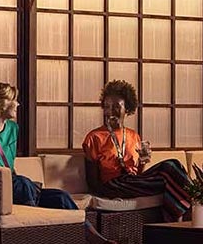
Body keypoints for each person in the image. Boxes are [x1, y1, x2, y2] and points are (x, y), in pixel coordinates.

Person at [0, 82, 136, 244]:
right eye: (13, 100)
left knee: (61, 197)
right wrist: (16, 183)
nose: (18, 104)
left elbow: (10, 167)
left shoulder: (13, 129)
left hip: (15, 187)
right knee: (23, 184)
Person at [81, 80, 193, 222]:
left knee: (173, 168)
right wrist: (108, 195)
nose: (110, 112)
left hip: (132, 181)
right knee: (169, 168)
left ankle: (179, 216)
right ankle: (192, 206)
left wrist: (142, 162)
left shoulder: (133, 136)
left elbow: (138, 175)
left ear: (127, 109)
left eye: (116, 106)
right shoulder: (94, 137)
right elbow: (92, 181)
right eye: (107, 106)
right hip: (112, 184)